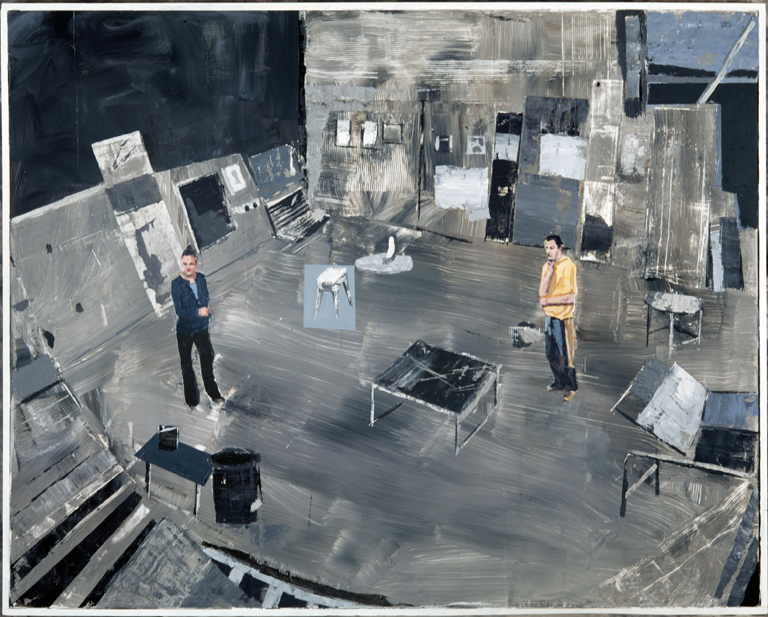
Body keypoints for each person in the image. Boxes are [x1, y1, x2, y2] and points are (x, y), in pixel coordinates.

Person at [171, 246, 225, 411]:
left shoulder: (201, 279)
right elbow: (180, 311)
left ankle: (214, 394)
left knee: (207, 360)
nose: (188, 267)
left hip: (201, 328)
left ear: (196, 264)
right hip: (185, 331)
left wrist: (204, 314)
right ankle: (192, 401)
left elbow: (204, 299)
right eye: (185, 263)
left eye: (191, 264)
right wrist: (197, 312)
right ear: (182, 264)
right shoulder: (176, 284)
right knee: (187, 366)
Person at [538, 234, 578, 402]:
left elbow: (570, 297)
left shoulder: (569, 266)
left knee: (564, 354)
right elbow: (542, 294)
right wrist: (549, 273)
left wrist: (549, 301)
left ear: (560, 247)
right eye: (546, 248)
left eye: (552, 248)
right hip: (550, 316)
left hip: (563, 317)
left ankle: (571, 387)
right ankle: (559, 382)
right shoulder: (546, 267)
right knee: (550, 353)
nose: (548, 251)